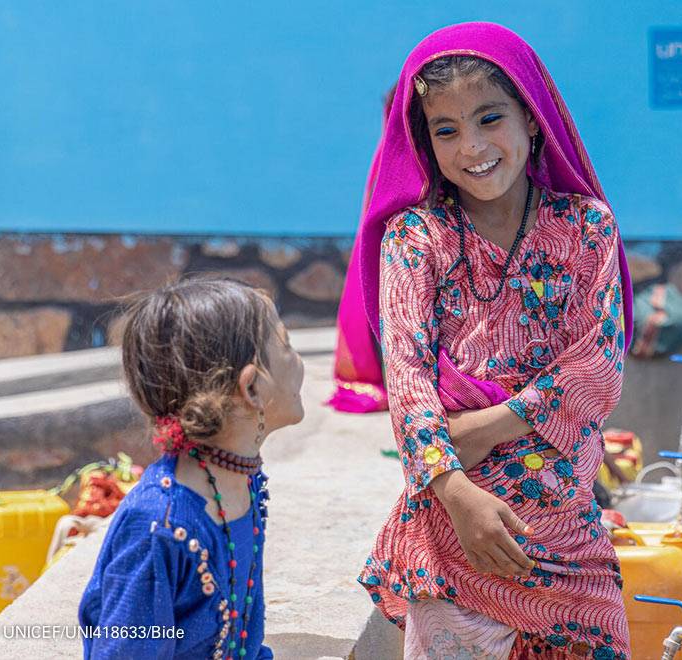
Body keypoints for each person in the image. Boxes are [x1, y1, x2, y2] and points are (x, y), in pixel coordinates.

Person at [355, 23, 634, 659]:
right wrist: (454, 493)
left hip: (568, 537)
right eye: (446, 129)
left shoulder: (585, 228)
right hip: (452, 537)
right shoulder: (414, 239)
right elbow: (408, 380)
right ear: (424, 141)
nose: (472, 146)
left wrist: (484, 426)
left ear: (532, 120)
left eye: (490, 118)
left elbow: (599, 366)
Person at [79, 278, 304, 659]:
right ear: (251, 389)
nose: (299, 362)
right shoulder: (158, 526)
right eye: (286, 345)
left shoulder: (242, 482)